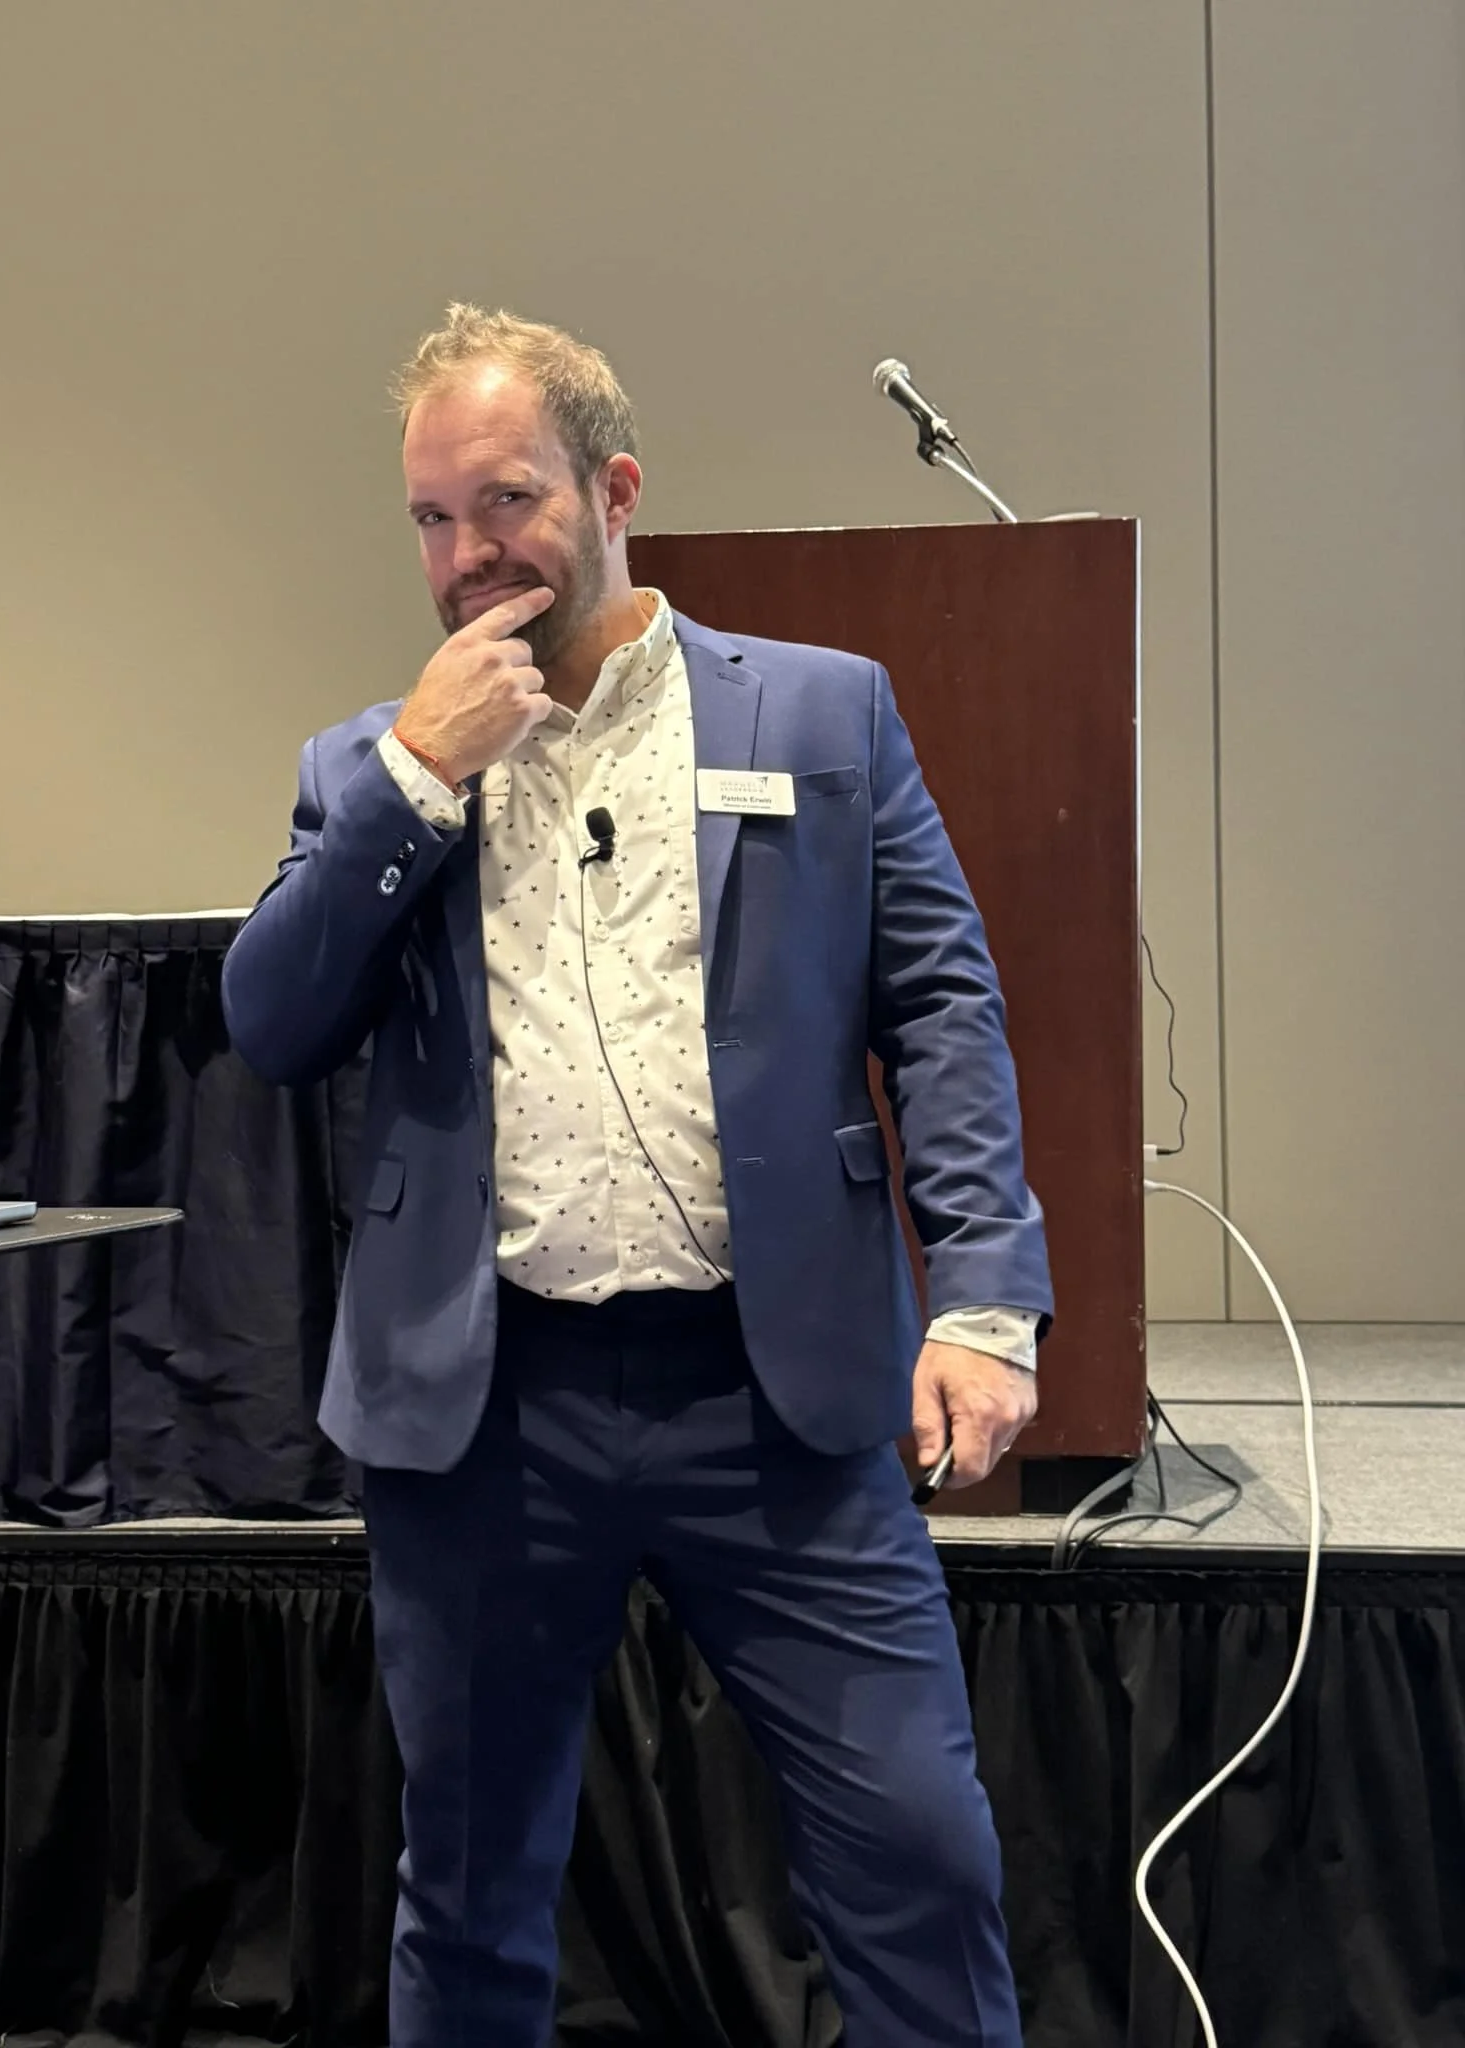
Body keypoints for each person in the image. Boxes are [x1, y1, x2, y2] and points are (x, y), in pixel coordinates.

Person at [222, 304, 1053, 2048]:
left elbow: (942, 1004)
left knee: (923, 1856)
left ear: (615, 489)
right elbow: (277, 1022)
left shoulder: (822, 712)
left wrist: (985, 1295)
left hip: (776, 1394)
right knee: (468, 1893)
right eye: (433, 521)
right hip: (487, 1410)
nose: (467, 557)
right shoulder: (370, 765)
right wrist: (414, 779)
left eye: (506, 502)